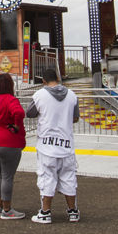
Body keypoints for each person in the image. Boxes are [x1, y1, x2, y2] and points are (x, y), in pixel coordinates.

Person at [25, 67, 79, 224]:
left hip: (46, 146)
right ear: (58, 78)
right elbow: (75, 118)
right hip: (66, 145)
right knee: (69, 178)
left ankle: (45, 212)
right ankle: (73, 212)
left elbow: (30, 113)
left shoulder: (39, 95)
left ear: (43, 81)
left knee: (46, 178)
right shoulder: (72, 95)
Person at [0, 72, 26, 219]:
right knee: (7, 176)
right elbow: (19, 113)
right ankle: (7, 210)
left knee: (0, 175)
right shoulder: (10, 99)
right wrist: (14, 126)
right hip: (8, 142)